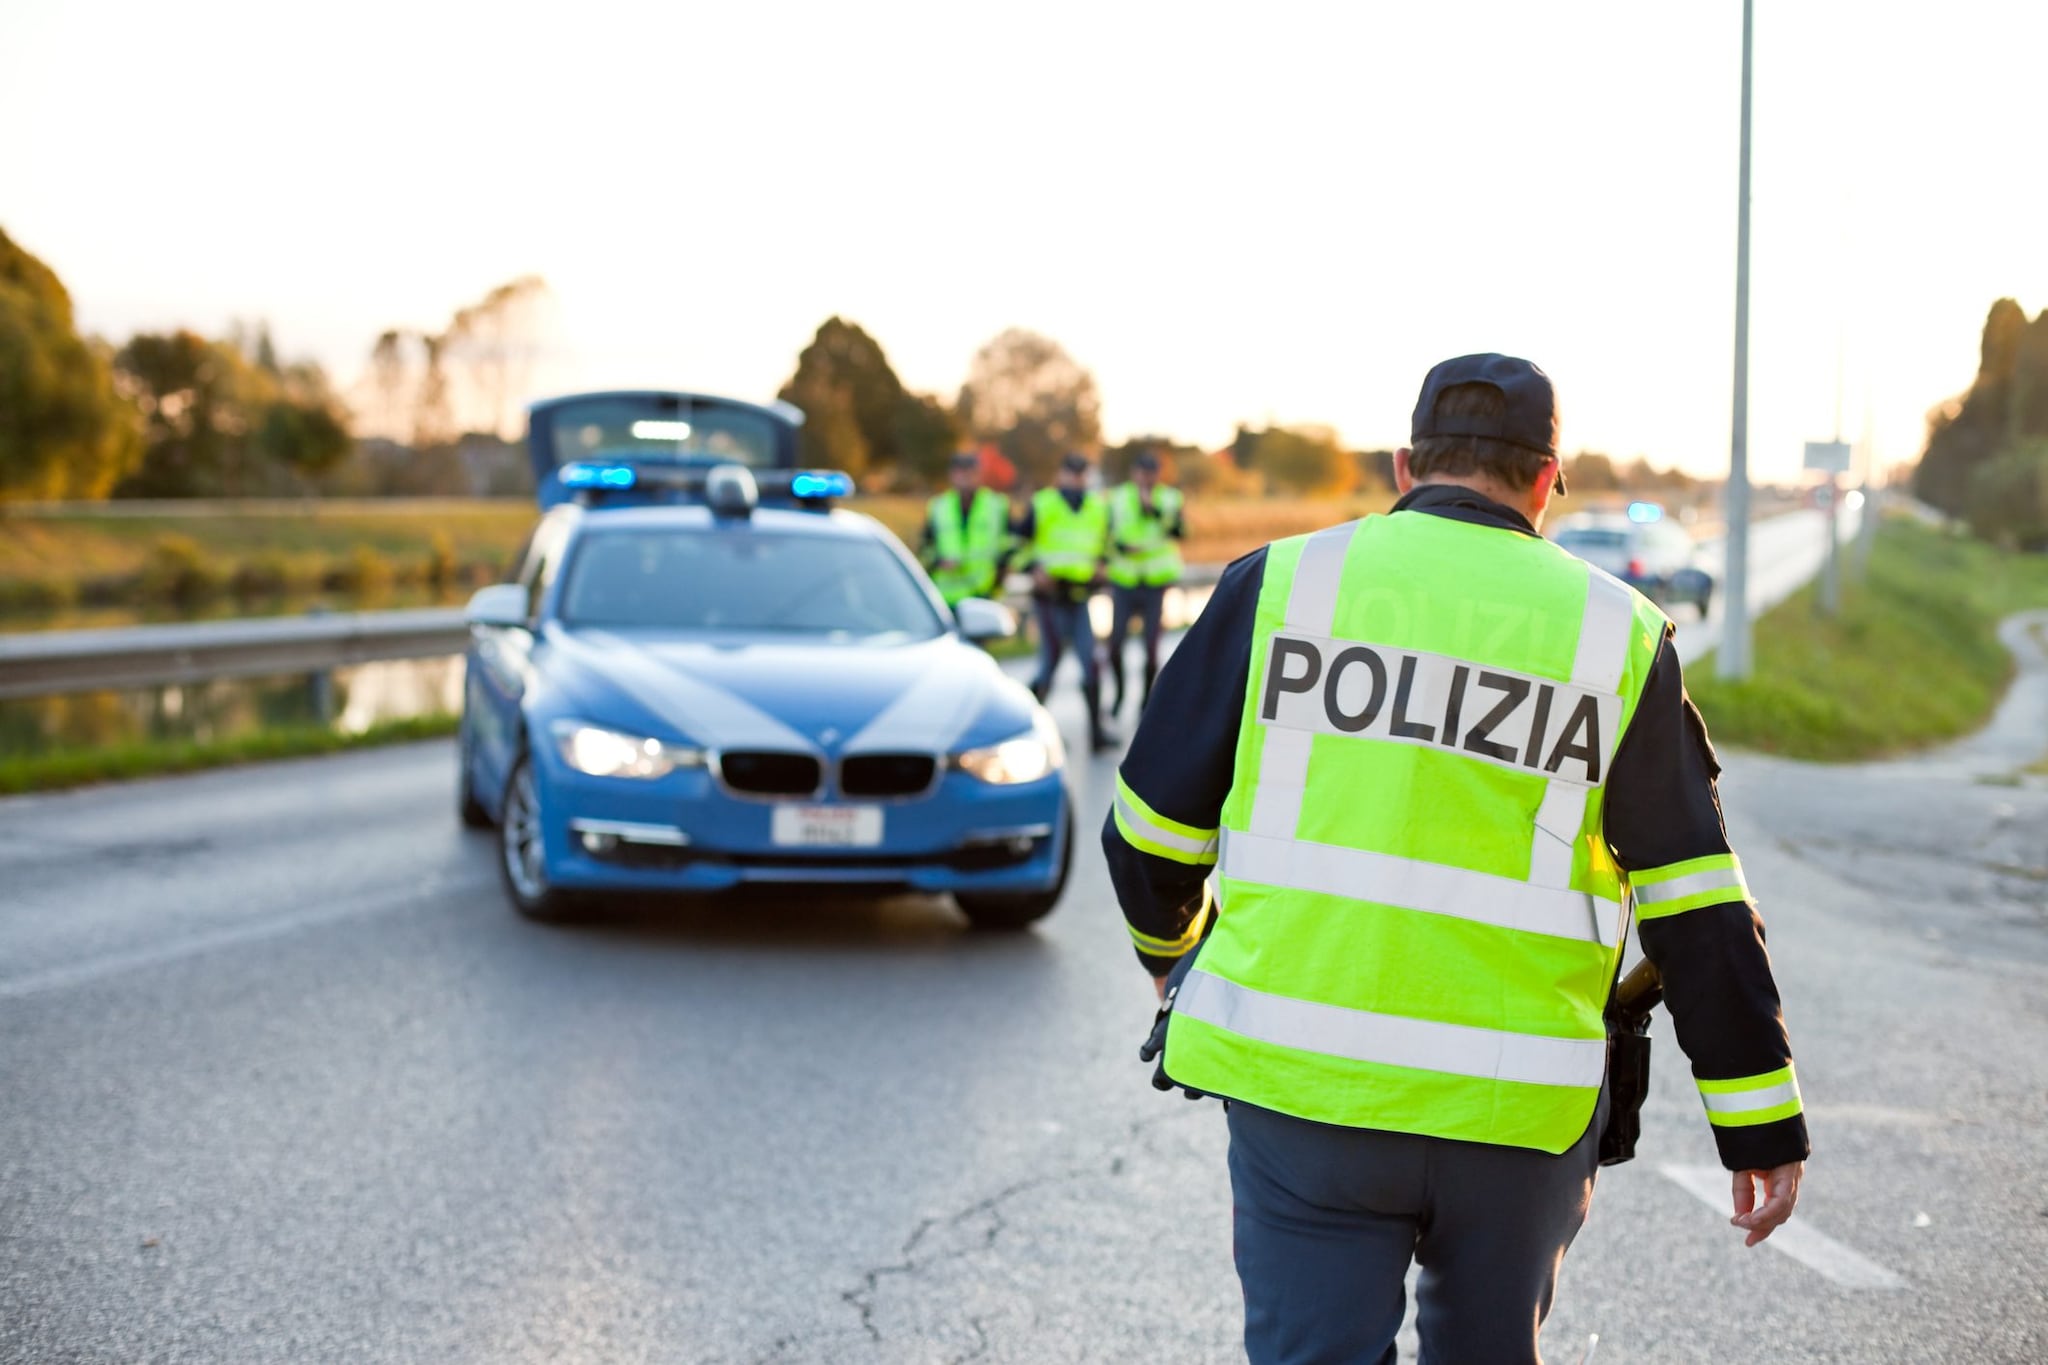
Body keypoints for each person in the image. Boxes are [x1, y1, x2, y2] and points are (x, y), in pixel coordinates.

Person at [1102, 354, 1809, 1364]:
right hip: (1516, 1110)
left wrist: (1174, 954)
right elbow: (1693, 902)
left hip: (1306, 1094)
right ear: (1545, 479)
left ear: (1405, 466)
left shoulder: (1283, 585)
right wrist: (1757, 1120)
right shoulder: (1615, 634)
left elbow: (1147, 833)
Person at [1015, 451, 1117, 752]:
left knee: (1091, 663)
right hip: (1050, 598)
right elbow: (1015, 544)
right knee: (1050, 664)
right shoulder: (1042, 503)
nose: (1076, 479)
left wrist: (1103, 566)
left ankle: (1096, 734)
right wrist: (1032, 568)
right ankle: (1030, 730)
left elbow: (1108, 546)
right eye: (1071, 473)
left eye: (1081, 474)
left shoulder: (1098, 507)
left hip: (1080, 596)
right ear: (1061, 474)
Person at [1104, 449, 1186, 715]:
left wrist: (1154, 511)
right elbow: (1104, 535)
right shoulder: (1117, 497)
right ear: (1134, 473)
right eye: (1142, 472)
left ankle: (1145, 703)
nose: (1147, 478)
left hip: (1154, 582)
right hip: (1124, 579)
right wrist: (1120, 548)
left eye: (1152, 473)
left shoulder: (1170, 498)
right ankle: (1119, 694)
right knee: (1115, 644)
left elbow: (1181, 532)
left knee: (1151, 648)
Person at [919, 450, 1012, 609]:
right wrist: (938, 562)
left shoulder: (996, 506)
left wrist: (998, 583)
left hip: (983, 594)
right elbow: (925, 549)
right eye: (960, 472)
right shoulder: (939, 506)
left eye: (970, 472)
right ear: (952, 475)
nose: (965, 478)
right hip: (946, 597)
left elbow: (1009, 547)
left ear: (979, 474)